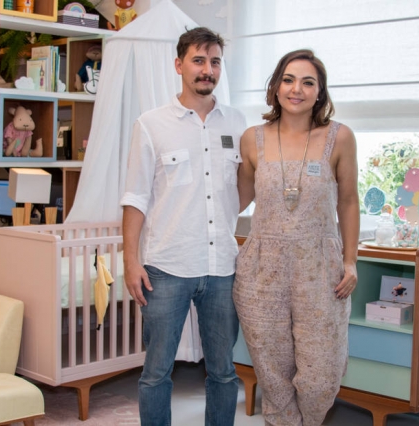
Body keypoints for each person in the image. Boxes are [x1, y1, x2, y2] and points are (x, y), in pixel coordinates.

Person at [120, 27, 247, 426]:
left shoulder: (238, 124)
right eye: (198, 60)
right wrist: (130, 261)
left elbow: (242, 188)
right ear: (179, 65)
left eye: (215, 62)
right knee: (157, 372)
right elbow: (135, 197)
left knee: (224, 371)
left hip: (222, 266)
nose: (207, 70)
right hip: (167, 265)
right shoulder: (151, 124)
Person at [233, 49, 360, 425]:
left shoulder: (339, 137)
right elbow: (236, 200)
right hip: (261, 270)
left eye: (308, 82)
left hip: (320, 268)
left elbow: (349, 201)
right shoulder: (252, 139)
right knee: (273, 377)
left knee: (320, 379)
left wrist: (351, 261)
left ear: (320, 92)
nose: (296, 89)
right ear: (275, 87)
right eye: (288, 80)